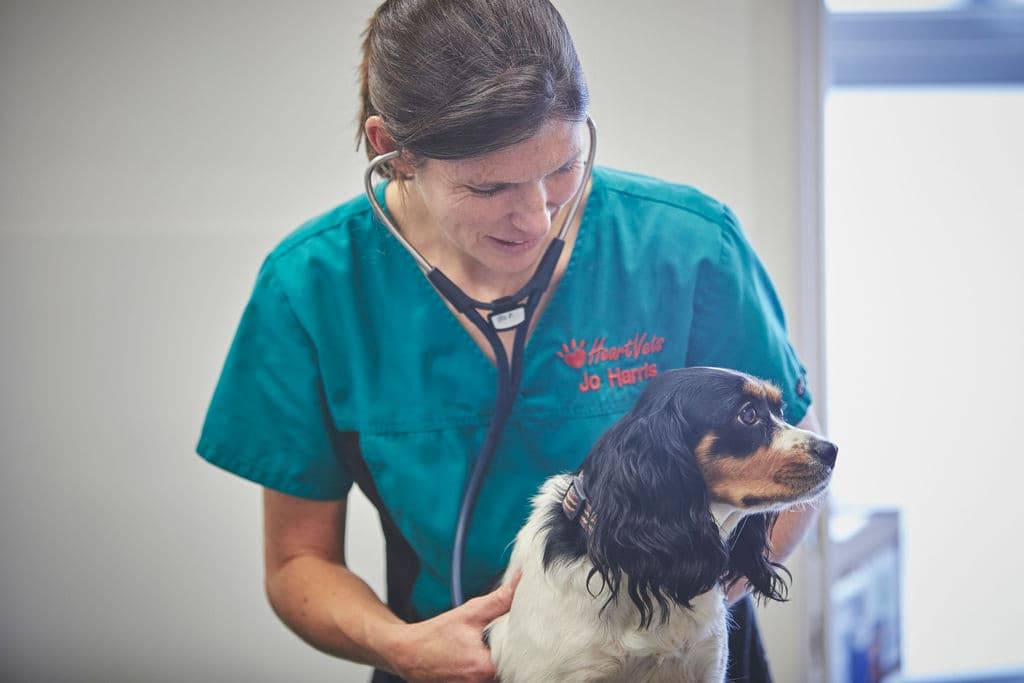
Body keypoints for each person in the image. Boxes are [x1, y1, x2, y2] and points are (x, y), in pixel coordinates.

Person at [195, 1, 825, 681]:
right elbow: (297, 561)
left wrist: (666, 623)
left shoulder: (690, 248)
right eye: (489, 186)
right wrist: (401, 645)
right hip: (446, 658)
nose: (536, 217)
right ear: (391, 150)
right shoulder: (313, 288)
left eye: (562, 168)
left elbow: (794, 475)